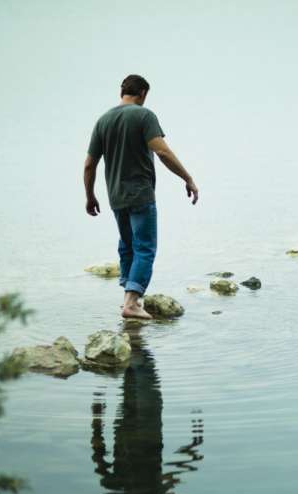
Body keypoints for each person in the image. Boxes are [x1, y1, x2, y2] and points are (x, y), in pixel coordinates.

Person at [83, 74, 198, 319]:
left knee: (127, 247)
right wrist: (187, 178)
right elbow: (163, 152)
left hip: (115, 197)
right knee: (145, 248)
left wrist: (90, 196)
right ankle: (132, 303)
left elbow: (89, 166)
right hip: (140, 194)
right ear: (143, 93)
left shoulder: (103, 120)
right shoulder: (144, 116)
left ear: (121, 92)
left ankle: (128, 298)